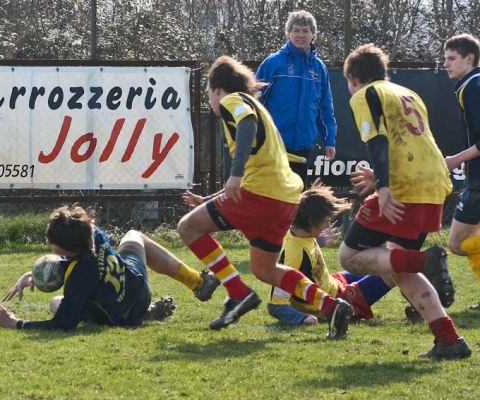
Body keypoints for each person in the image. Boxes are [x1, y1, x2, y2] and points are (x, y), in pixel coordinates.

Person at [179, 55, 353, 338]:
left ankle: (237, 293)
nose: (210, 101)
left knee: (187, 227)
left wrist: (234, 174)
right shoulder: (258, 107)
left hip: (260, 195)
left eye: (208, 94)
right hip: (283, 200)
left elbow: (246, 131)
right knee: (265, 269)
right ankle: (332, 306)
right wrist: (212, 198)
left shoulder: (233, 101)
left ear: (217, 89)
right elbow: (258, 166)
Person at [340, 43, 471, 360]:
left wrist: (383, 186)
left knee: (350, 256)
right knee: (400, 268)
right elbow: (410, 142)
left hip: (405, 188)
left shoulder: (365, 94)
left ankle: (426, 261)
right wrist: (382, 178)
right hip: (434, 184)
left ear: (354, 78)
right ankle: (449, 341)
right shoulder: (406, 93)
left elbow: (377, 139)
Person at [0, 204, 219, 330]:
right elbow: (80, 259)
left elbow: (63, 324)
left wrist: (15, 323)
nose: (49, 245)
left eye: (51, 244)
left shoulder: (79, 279)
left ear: (62, 248)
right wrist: (35, 273)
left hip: (124, 316)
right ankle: (197, 281)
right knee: (135, 235)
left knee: (56, 304)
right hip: (135, 282)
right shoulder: (91, 232)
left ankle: (145, 313)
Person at [268, 181, 394, 325]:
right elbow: (276, 306)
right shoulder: (293, 257)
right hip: (338, 299)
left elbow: (304, 254)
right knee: (393, 270)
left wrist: (320, 240)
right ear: (310, 222)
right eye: (326, 221)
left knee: (373, 262)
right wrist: (302, 318)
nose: (328, 225)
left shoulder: (298, 234)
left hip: (334, 282)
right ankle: (419, 308)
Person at [255, 10, 337, 185]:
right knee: (272, 195)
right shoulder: (273, 63)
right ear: (288, 33)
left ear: (313, 34)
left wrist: (329, 141)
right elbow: (255, 102)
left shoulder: (319, 68)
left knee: (296, 198)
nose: (301, 35)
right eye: (296, 30)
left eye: (306, 31)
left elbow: (325, 109)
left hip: (304, 145)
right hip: (274, 144)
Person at [443, 33, 480, 310]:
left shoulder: (473, 87)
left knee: (457, 242)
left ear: (470, 59)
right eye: (445, 58)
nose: (446, 64)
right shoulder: (471, 85)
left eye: (451, 58)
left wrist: (456, 159)